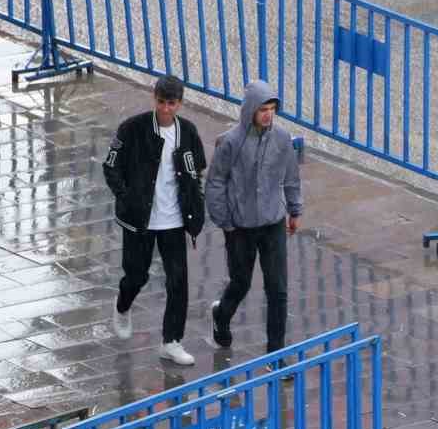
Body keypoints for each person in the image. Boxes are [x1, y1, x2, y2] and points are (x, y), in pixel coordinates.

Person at [102, 74, 206, 366]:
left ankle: (172, 341)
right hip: (140, 219)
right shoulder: (132, 129)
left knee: (178, 281)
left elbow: (196, 171)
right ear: (154, 99)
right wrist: (126, 197)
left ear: (180, 104)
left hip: (174, 220)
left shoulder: (188, 132)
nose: (165, 109)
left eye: (171, 104)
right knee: (137, 275)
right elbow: (110, 166)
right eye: (161, 102)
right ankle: (122, 305)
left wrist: (196, 209)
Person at [207, 80, 303, 353]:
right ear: (250, 110)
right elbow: (215, 182)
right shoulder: (230, 142)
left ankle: (276, 352)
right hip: (240, 226)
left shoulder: (283, 139)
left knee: (278, 290)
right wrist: (225, 221)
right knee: (241, 282)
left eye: (272, 109)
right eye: (263, 109)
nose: (268, 114)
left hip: (273, 223)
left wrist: (294, 209)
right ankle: (221, 315)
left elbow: (291, 176)